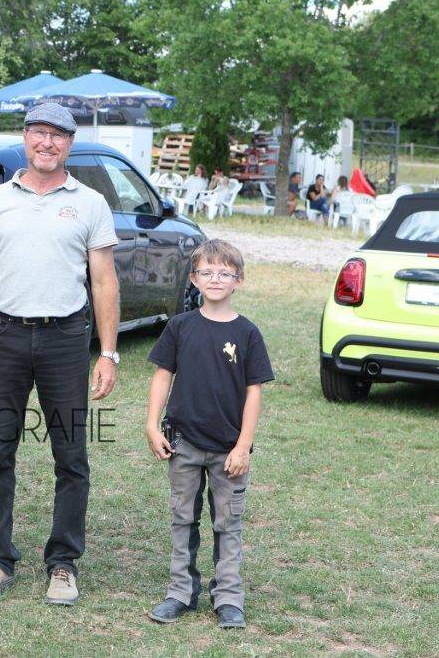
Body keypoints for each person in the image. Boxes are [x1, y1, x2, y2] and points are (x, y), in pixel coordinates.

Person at [0, 100, 121, 605]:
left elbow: (104, 281)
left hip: (65, 340)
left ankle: (63, 563)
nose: (47, 143)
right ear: (25, 138)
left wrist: (109, 353)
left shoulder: (91, 203)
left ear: (69, 144)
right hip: (4, 337)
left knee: (71, 456)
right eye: (39, 133)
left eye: (58, 135)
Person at [143, 239, 273, 629]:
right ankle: (180, 592)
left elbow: (254, 391)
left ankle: (229, 598)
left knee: (227, 523)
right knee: (183, 518)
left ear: (238, 280)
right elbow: (163, 375)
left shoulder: (247, 333)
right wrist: (151, 424)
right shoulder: (180, 327)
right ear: (194, 279)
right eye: (207, 272)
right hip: (182, 443)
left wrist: (243, 446)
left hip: (228, 449)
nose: (215, 279)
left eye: (224, 273)